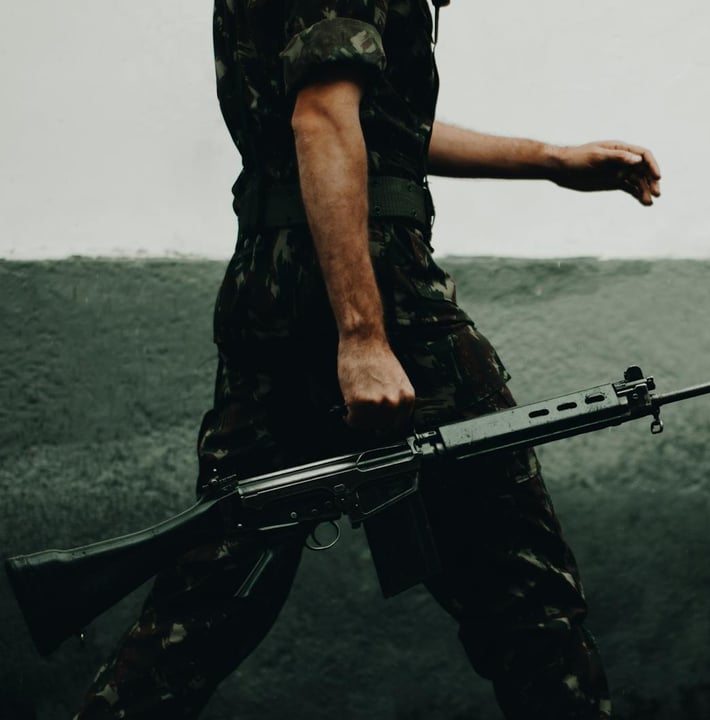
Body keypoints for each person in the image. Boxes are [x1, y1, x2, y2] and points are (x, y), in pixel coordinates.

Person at [73, 1, 660, 717]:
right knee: (525, 599)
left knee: (205, 604)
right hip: (378, 292)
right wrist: (362, 336)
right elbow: (322, 116)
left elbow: (374, 123)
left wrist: (549, 160)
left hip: (272, 291)